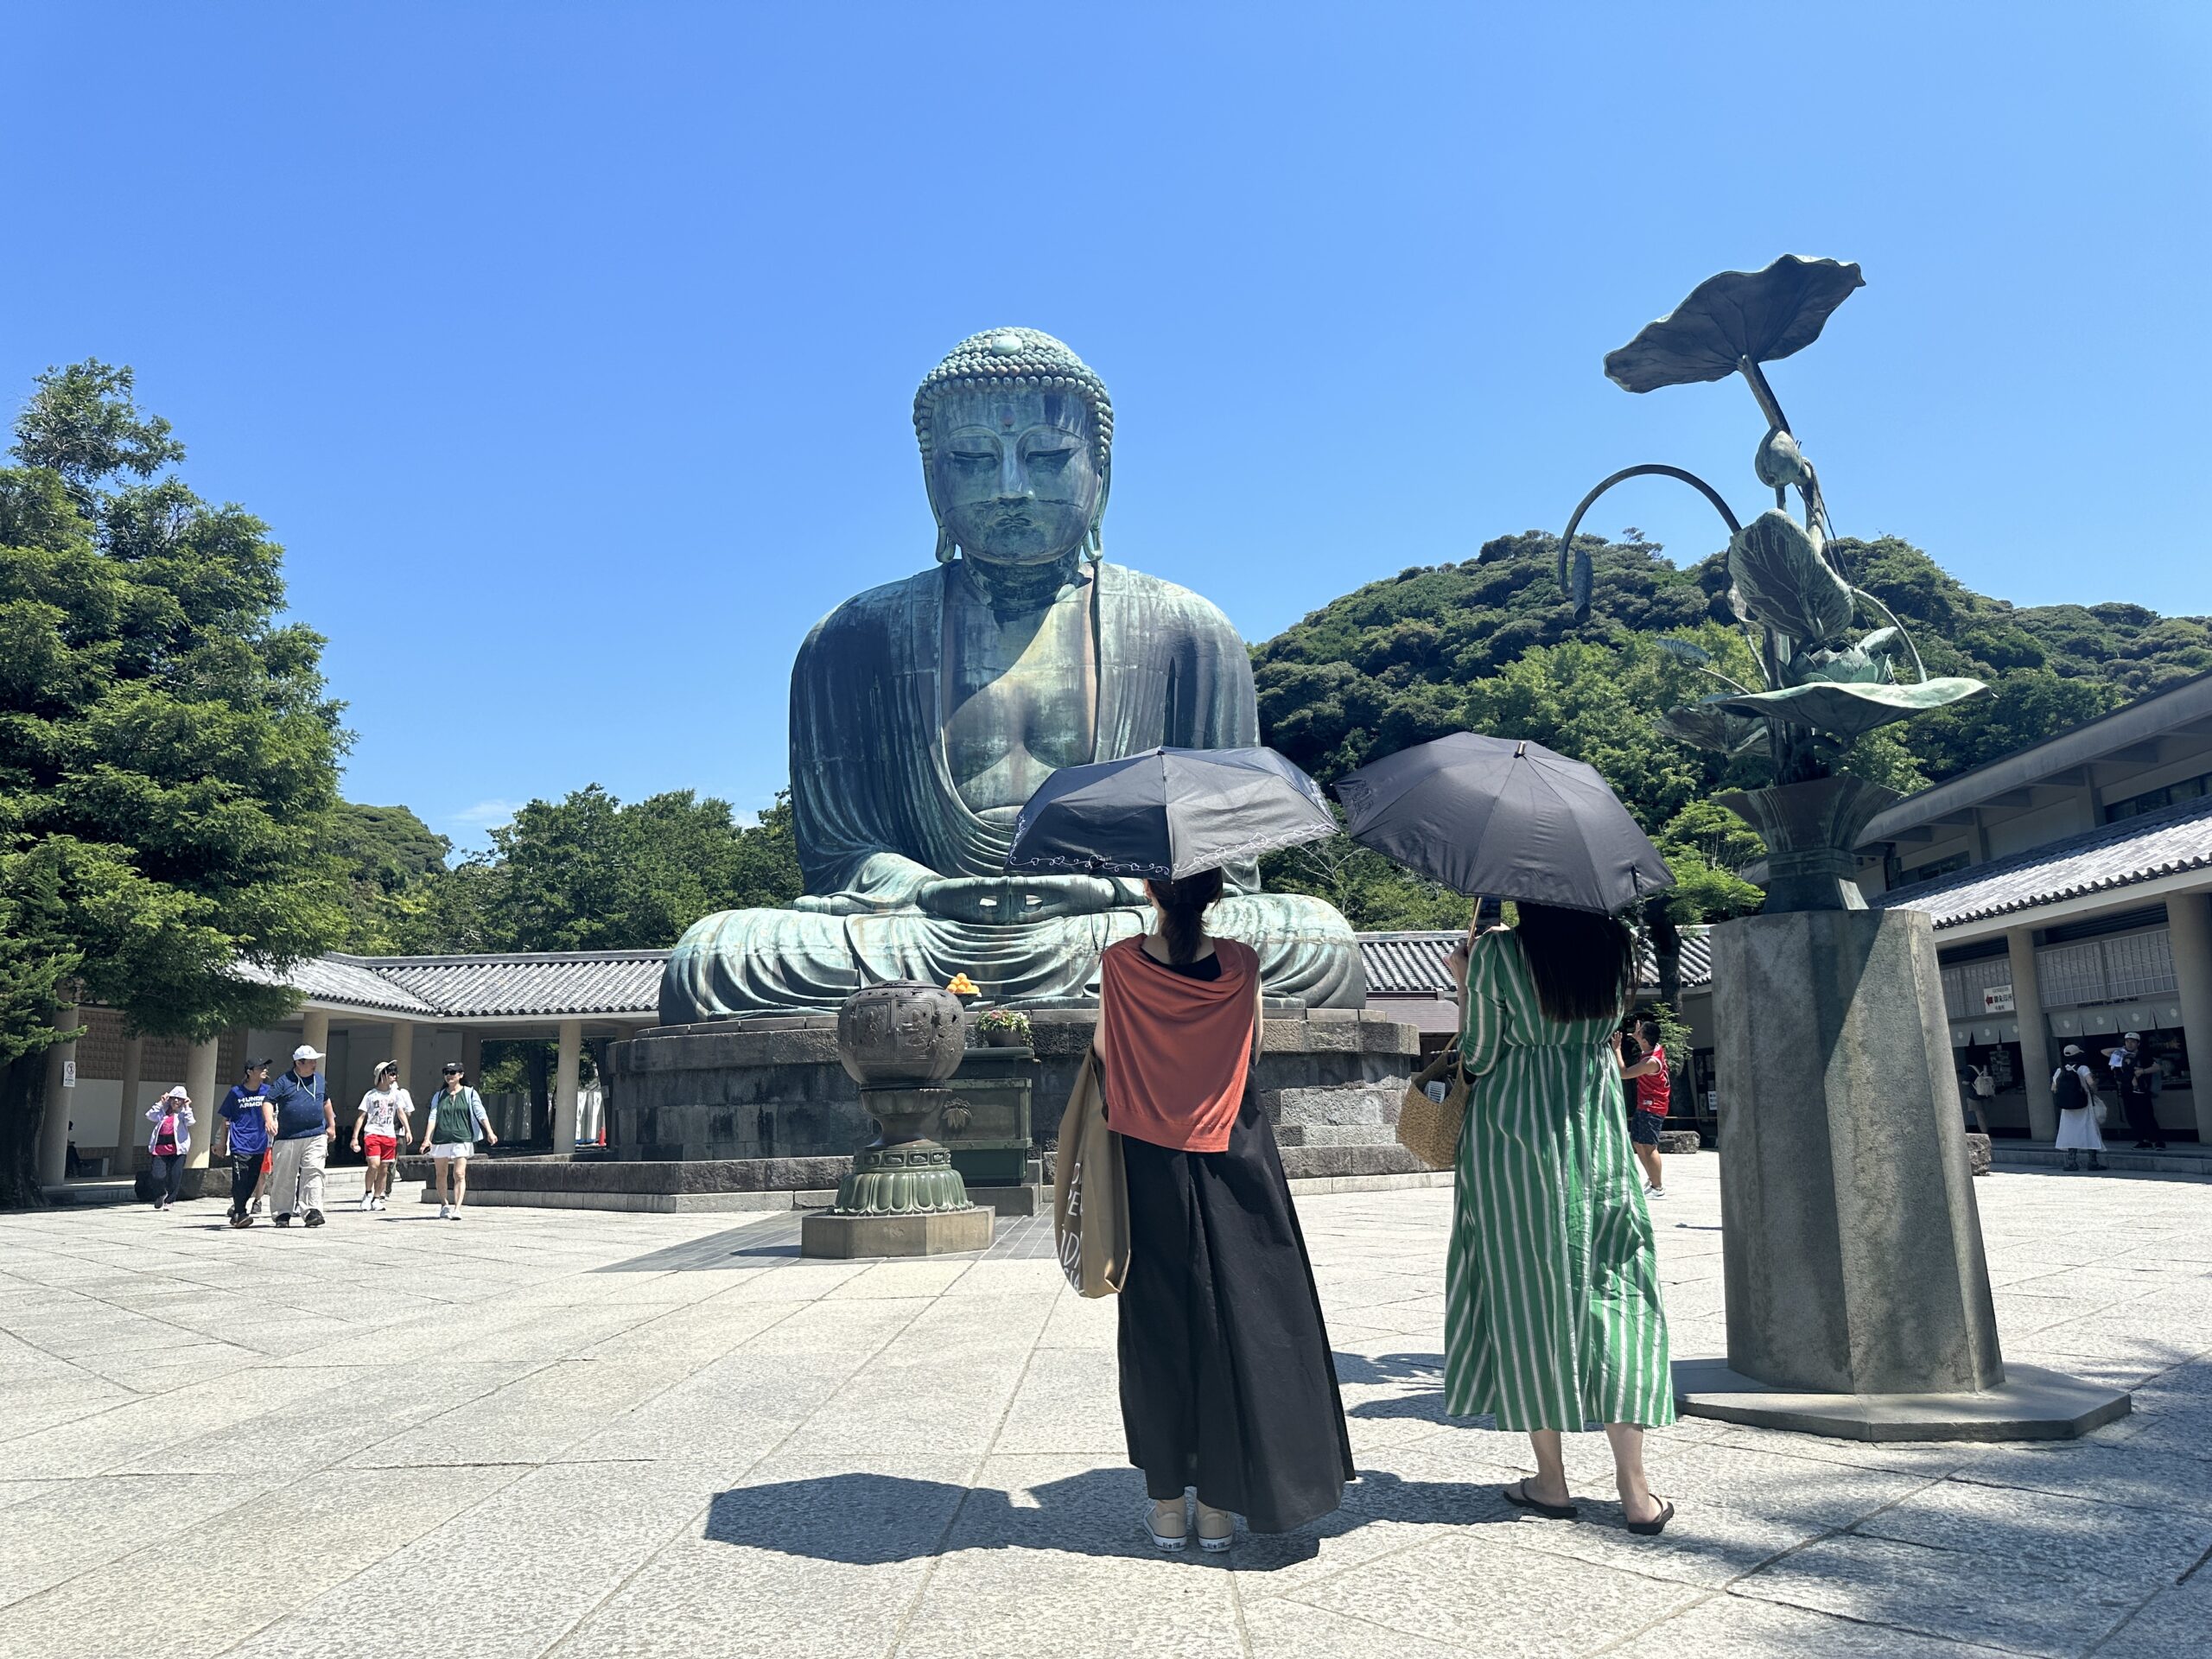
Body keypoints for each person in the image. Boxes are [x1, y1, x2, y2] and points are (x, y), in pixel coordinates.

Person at [1095, 868, 1353, 1553]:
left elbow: (1102, 1051)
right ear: (1216, 894)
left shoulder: (1119, 961)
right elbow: (1254, 1046)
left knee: (1157, 1324)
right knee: (1240, 1317)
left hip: (1149, 1159)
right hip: (1234, 1152)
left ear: (1149, 892)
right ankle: (1217, 1509)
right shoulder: (1242, 960)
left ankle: (1167, 1509)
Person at [1446, 903, 1675, 1535]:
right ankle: (1636, 1490)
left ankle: (1551, 1480)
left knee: (1525, 1291)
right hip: (1596, 1132)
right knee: (1617, 1292)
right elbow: (1604, 1035)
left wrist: (1467, 984)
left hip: (1514, 1139)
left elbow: (1481, 1052)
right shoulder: (1616, 946)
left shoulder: (1497, 952)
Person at [266, 1044, 335, 1227]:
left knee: (314, 1171)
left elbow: (326, 1101)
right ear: (299, 1062)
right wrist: (269, 1120)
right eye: (311, 1061)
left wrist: (332, 1125)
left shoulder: (319, 1080)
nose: (315, 1064)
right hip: (288, 1137)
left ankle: (312, 1211)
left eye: (315, 1060)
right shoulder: (283, 1081)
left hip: (316, 1135)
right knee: (284, 1176)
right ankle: (282, 1213)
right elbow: (268, 1101)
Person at [416, 1061, 497, 1219]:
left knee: (459, 1173)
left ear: (460, 1075)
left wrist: (489, 1131)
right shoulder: (439, 1096)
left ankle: (457, 1208)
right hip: (441, 1138)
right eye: (446, 1072)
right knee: (441, 1173)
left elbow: (480, 1113)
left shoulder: (469, 1093)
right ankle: (444, 1204)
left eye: (452, 1073)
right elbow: (433, 1116)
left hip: (462, 1137)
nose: (449, 1076)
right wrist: (427, 1139)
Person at [218, 1059, 276, 1228]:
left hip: (260, 1143)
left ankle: (238, 1212)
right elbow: (225, 1119)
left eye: (266, 1067)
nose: (265, 1070)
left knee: (252, 1180)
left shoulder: (268, 1092)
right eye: (260, 1068)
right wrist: (222, 1143)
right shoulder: (235, 1093)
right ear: (250, 1072)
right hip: (240, 1143)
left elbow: (274, 1112)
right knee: (240, 1179)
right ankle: (240, 1212)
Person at [1619, 1015, 1669, 1199]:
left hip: (1653, 1106)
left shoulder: (1650, 1062)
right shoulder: (1652, 1049)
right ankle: (1652, 1179)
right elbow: (1645, 1041)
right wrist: (1637, 1035)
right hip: (1645, 1104)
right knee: (1638, 1144)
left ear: (1646, 1039)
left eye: (1639, 1032)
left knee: (1649, 1146)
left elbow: (1623, 1074)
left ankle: (1658, 1187)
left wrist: (1616, 1049)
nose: (1636, 1031)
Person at [353, 1062, 413, 1211]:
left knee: (384, 1168)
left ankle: (377, 1198)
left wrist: (408, 1130)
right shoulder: (370, 1095)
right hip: (372, 1133)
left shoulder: (396, 1094)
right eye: (391, 1073)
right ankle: (367, 1194)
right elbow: (361, 1116)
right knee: (373, 1164)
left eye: (395, 1073)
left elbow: (400, 1112)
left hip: (389, 1134)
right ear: (383, 1075)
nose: (394, 1077)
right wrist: (355, 1137)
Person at [2104, 1033, 2166, 1151]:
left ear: (2138, 1043)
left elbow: (2157, 1067)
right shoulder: (2120, 1055)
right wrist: (2121, 1049)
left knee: (2147, 1115)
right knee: (2132, 1116)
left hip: (2142, 1089)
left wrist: (2143, 1071)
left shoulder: (2143, 1055)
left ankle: (2158, 1141)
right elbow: (2105, 1052)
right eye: (2127, 1041)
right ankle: (2143, 1140)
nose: (2130, 1044)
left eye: (2132, 1041)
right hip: (2126, 1089)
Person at [2052, 1044, 2106, 1172]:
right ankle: (2093, 1162)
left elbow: (2053, 1088)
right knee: (2090, 1130)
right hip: (2084, 1105)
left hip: (2067, 1108)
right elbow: (2091, 1083)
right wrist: (2093, 1090)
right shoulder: (2083, 1068)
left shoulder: (2060, 1070)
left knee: (2070, 1132)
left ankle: (2071, 1162)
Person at [145, 1086, 193, 1211]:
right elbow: (150, 1115)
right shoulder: (162, 1112)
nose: (176, 1101)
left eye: (179, 1099)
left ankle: (170, 1200)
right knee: (157, 1175)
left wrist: (187, 1107)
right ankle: (161, 1193)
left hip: (177, 1149)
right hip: (160, 1149)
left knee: (175, 1175)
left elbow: (190, 1121)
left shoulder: (183, 1114)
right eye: (173, 1098)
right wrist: (161, 1102)